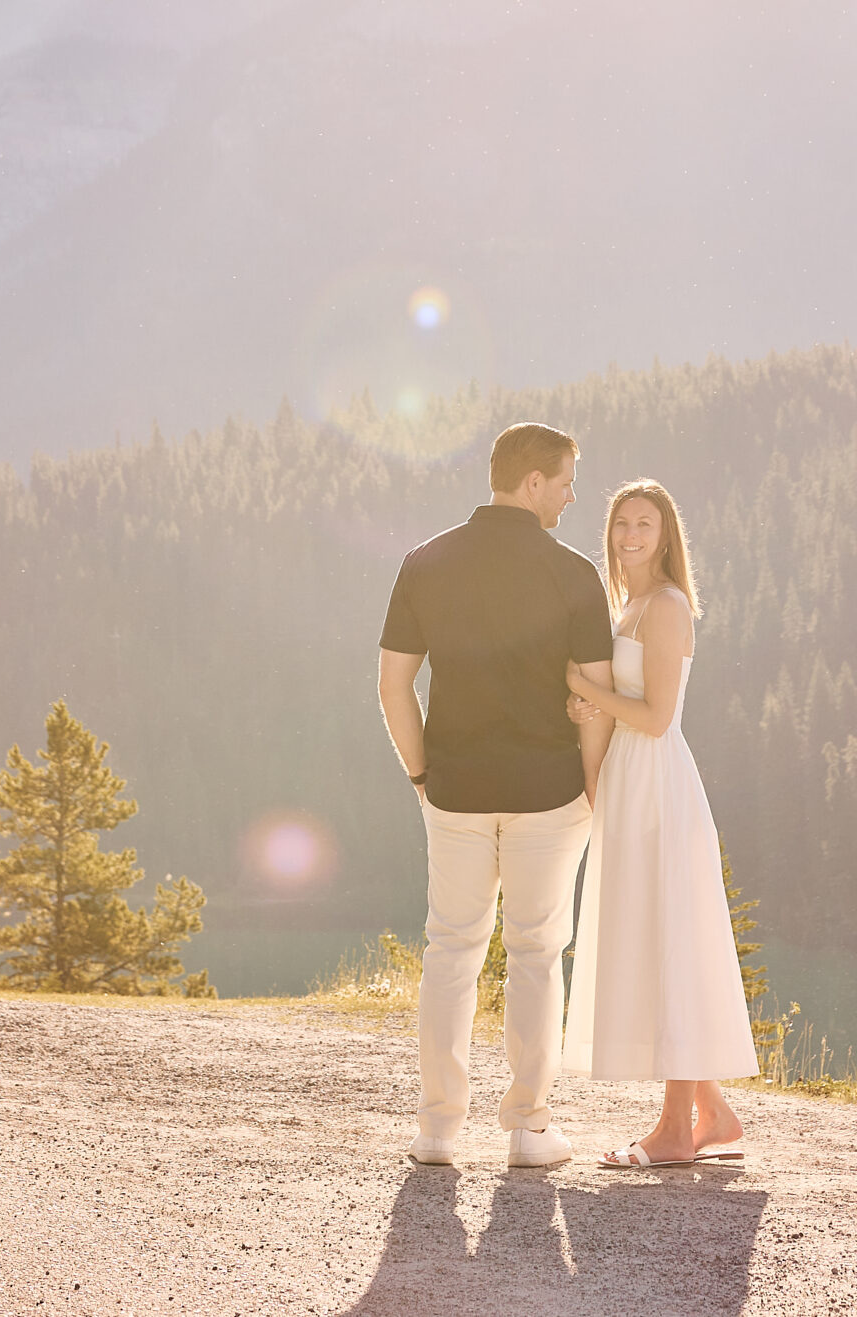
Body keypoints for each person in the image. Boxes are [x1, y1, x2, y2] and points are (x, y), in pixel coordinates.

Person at [377, 421, 615, 1168]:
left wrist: (423, 775)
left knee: (451, 949)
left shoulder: (427, 560)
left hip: (455, 789)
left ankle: (438, 1131)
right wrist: (591, 787)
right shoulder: (574, 573)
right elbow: (598, 696)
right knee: (537, 952)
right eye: (567, 480)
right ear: (533, 481)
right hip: (548, 791)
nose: (573, 496)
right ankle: (527, 1128)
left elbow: (393, 685)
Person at [561, 478, 757, 1168]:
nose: (630, 536)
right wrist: (594, 707)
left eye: (643, 523)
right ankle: (716, 1114)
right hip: (630, 783)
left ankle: (677, 1131)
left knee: (671, 942)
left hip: (658, 785)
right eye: (620, 524)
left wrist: (584, 689)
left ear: (666, 534)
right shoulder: (630, 606)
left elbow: (656, 716)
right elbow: (623, 702)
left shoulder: (667, 606)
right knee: (651, 938)